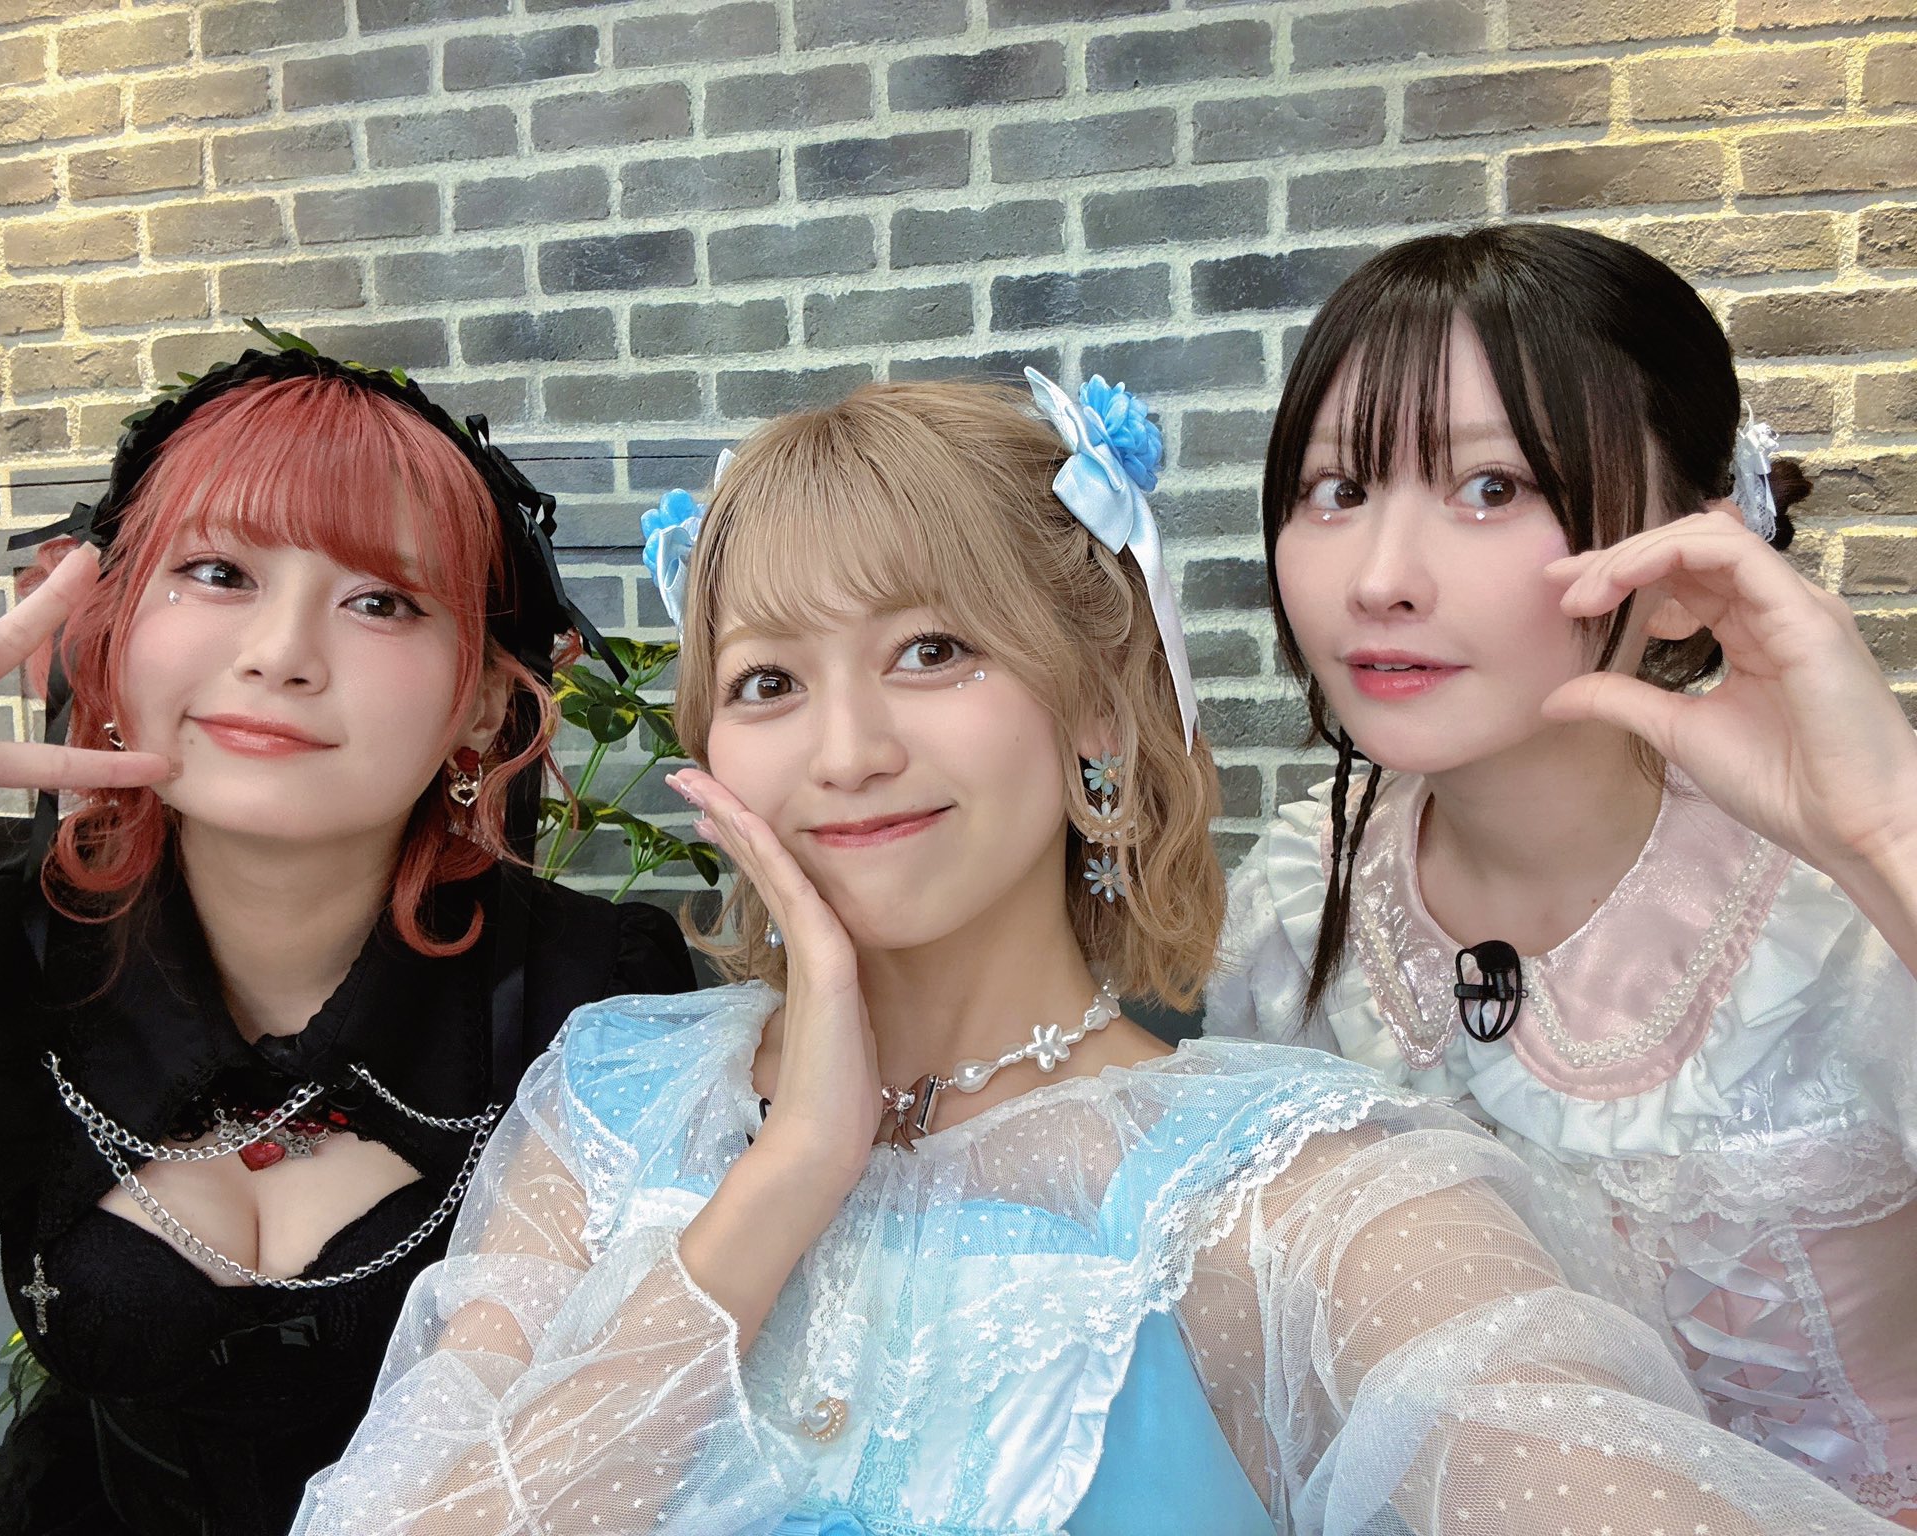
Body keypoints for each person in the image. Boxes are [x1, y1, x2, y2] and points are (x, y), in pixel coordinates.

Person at [288, 372, 1898, 1534]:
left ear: (1099, 725)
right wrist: (784, 1182)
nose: (843, 749)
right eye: (769, 681)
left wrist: (1889, 834)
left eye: (934, 650)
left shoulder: (1298, 1190)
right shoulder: (614, 1101)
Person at [0, 343, 696, 1536]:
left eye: (382, 601)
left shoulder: (592, 999)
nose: (280, 653)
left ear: (481, 700)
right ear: (111, 634)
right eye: (217, 572)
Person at [1204, 223, 1917, 1523]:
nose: (1378, 580)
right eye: (1335, 490)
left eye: (1490, 487)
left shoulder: (1847, 913)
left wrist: (1884, 835)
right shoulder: (1295, 908)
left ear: (1689, 562)